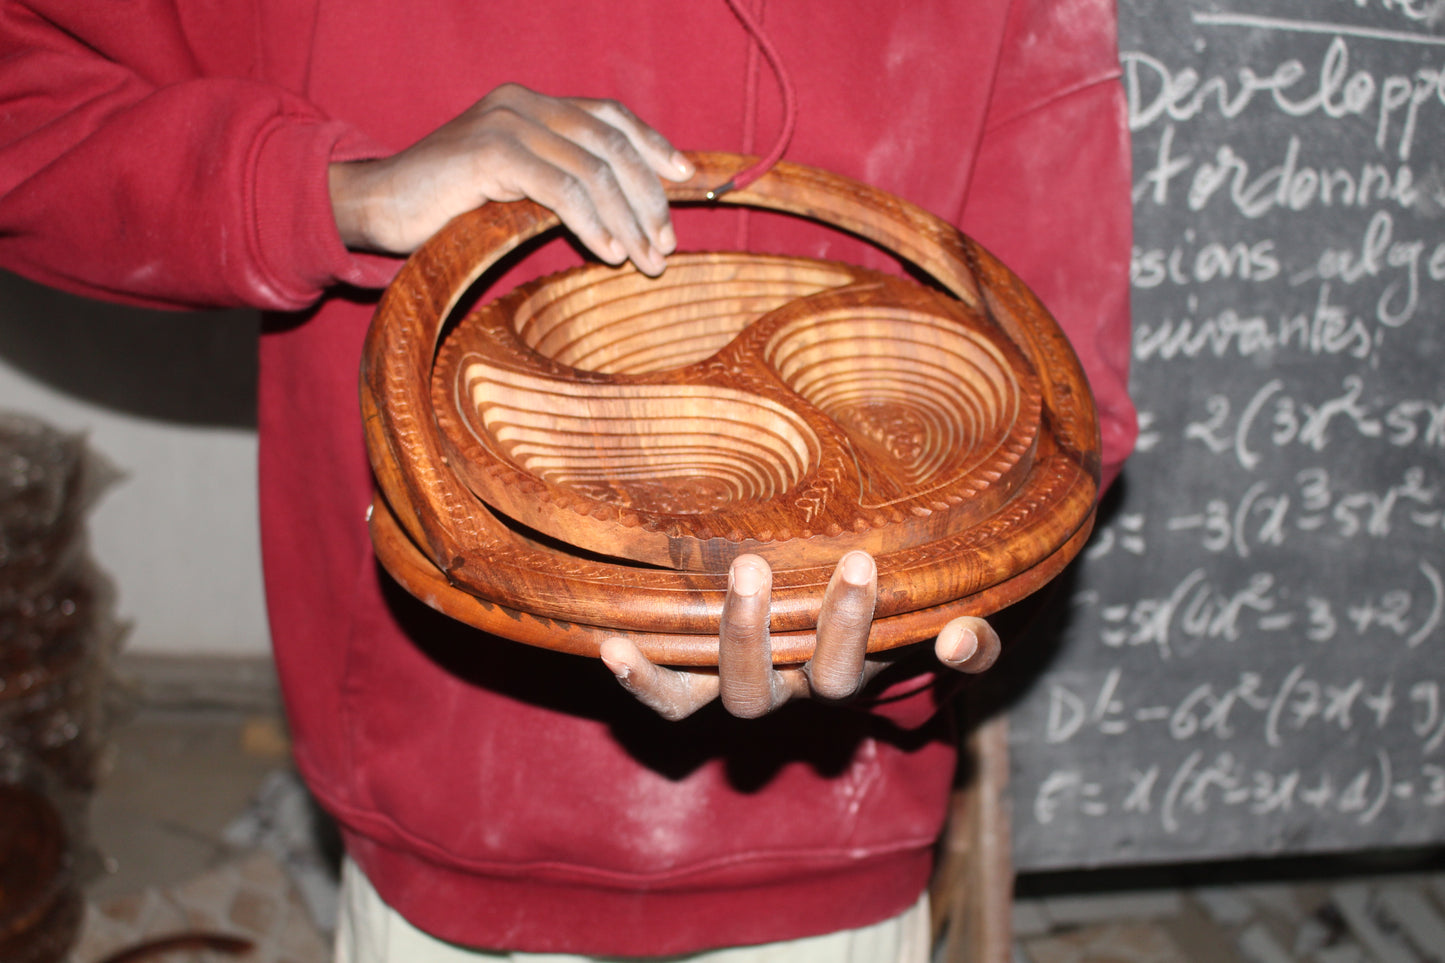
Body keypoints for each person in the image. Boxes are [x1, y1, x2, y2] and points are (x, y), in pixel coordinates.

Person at [0, 0, 1137, 959]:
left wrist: (891, 639)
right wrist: (334, 189)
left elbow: (1064, 410)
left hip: (820, 851)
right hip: (445, 817)